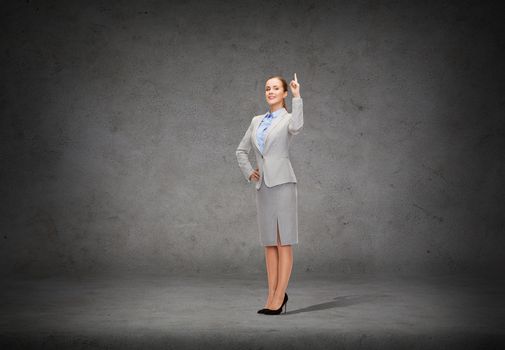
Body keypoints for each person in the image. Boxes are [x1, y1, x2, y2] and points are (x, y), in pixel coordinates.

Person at [236, 73, 303, 315]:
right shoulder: (256, 121)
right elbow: (241, 151)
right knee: (269, 243)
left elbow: (297, 126)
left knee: (283, 240)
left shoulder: (288, 119)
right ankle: (272, 295)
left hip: (283, 183)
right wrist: (250, 172)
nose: (270, 92)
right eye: (267, 88)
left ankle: (279, 296)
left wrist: (297, 98)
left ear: (284, 93)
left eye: (276, 88)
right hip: (263, 186)